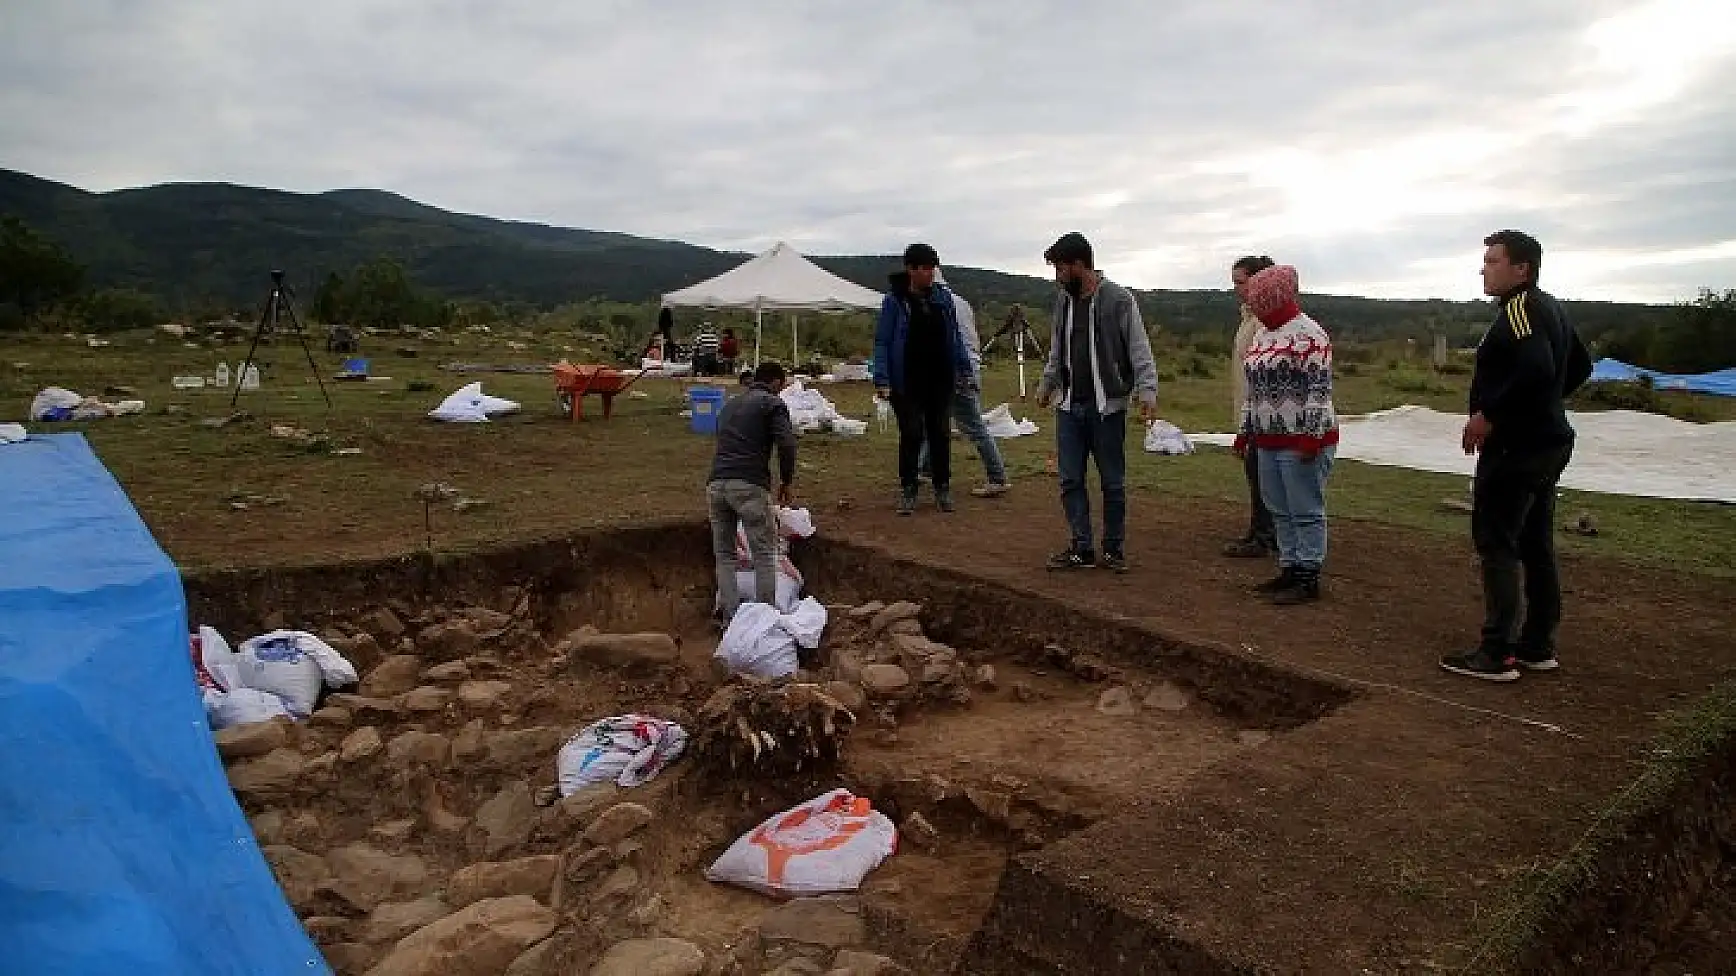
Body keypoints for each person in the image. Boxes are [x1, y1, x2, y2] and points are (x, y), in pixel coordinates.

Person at [1440, 230, 1592, 681]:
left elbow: (1538, 368)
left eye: (1492, 261)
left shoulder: (1521, 308)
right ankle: (1536, 644)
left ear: (1521, 269)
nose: (1483, 269)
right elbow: (1580, 366)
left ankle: (1497, 652)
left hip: (1517, 449)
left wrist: (1492, 416)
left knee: (1497, 543)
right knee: (1535, 544)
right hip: (1548, 443)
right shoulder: (1553, 307)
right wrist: (1546, 406)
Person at [1035, 232, 1159, 573]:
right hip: (1070, 406)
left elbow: (1139, 348)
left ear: (1079, 265)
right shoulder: (1063, 301)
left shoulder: (1119, 300)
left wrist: (1147, 391)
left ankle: (1114, 549)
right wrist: (1048, 382)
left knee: (1112, 482)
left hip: (1107, 408)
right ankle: (1082, 548)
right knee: (1070, 478)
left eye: (1061, 268)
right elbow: (1057, 348)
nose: (1058, 276)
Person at [1233, 265, 1339, 604]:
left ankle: (1308, 575)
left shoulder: (1310, 335)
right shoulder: (1263, 334)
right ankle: (1290, 567)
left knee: (1305, 508)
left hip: (1301, 440)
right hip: (1267, 439)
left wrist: (1310, 436)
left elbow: (1319, 390)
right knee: (1279, 507)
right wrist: (1245, 431)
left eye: (1259, 300)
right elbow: (1254, 390)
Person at [873, 243, 973, 515]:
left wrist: (965, 370)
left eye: (933, 268)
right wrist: (881, 378)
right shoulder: (894, 301)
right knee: (912, 433)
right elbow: (882, 341)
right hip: (907, 380)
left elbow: (955, 338)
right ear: (911, 269)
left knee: (940, 433)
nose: (930, 274)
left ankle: (942, 487)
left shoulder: (943, 299)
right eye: (925, 268)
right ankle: (909, 488)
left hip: (940, 379)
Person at [706, 361, 797, 624]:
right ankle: (763, 621)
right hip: (748, 485)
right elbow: (787, 443)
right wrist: (786, 481)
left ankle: (730, 619)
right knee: (764, 554)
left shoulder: (729, 405)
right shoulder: (772, 404)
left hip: (716, 485)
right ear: (776, 383)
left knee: (724, 555)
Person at [916, 270, 1010, 497]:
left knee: (973, 426)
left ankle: (997, 477)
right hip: (966, 368)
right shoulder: (962, 303)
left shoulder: (937, 304)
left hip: (955, 371)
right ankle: (925, 469)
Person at [1223, 255, 1278, 558]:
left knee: (1262, 473)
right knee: (1255, 471)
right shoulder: (1249, 318)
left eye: (1240, 282)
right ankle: (1260, 530)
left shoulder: (1263, 322)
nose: (1236, 289)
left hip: (1261, 412)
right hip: (1249, 410)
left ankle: (1265, 535)